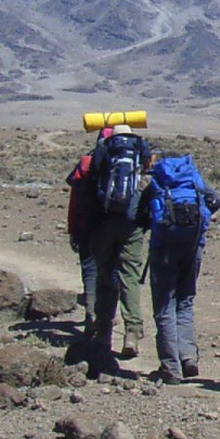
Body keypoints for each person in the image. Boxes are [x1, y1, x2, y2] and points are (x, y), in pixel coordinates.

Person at [78, 123, 152, 379]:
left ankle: (104, 334)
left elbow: (89, 185)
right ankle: (132, 333)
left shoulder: (103, 151)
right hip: (132, 225)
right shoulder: (140, 151)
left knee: (105, 277)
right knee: (129, 277)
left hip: (104, 223)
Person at [142, 151, 220, 384]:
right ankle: (188, 358)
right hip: (193, 246)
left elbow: (136, 214)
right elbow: (216, 200)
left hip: (163, 249)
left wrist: (154, 224)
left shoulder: (158, 181)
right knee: (185, 302)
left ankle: (170, 367)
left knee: (165, 306)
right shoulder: (193, 179)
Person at [65, 127, 114, 328]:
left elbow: (74, 196)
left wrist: (73, 228)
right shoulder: (124, 167)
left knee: (90, 268)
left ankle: (91, 312)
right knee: (112, 270)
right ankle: (110, 317)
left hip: (86, 224)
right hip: (112, 226)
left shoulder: (85, 164)